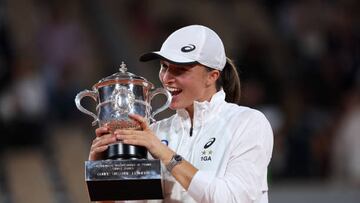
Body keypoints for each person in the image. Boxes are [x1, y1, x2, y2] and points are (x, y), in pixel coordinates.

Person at [89, 25, 274, 203]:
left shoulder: (248, 123)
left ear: (212, 76)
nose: (167, 78)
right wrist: (102, 175)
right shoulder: (155, 133)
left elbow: (231, 199)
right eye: (164, 66)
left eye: (180, 70)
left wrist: (166, 155)